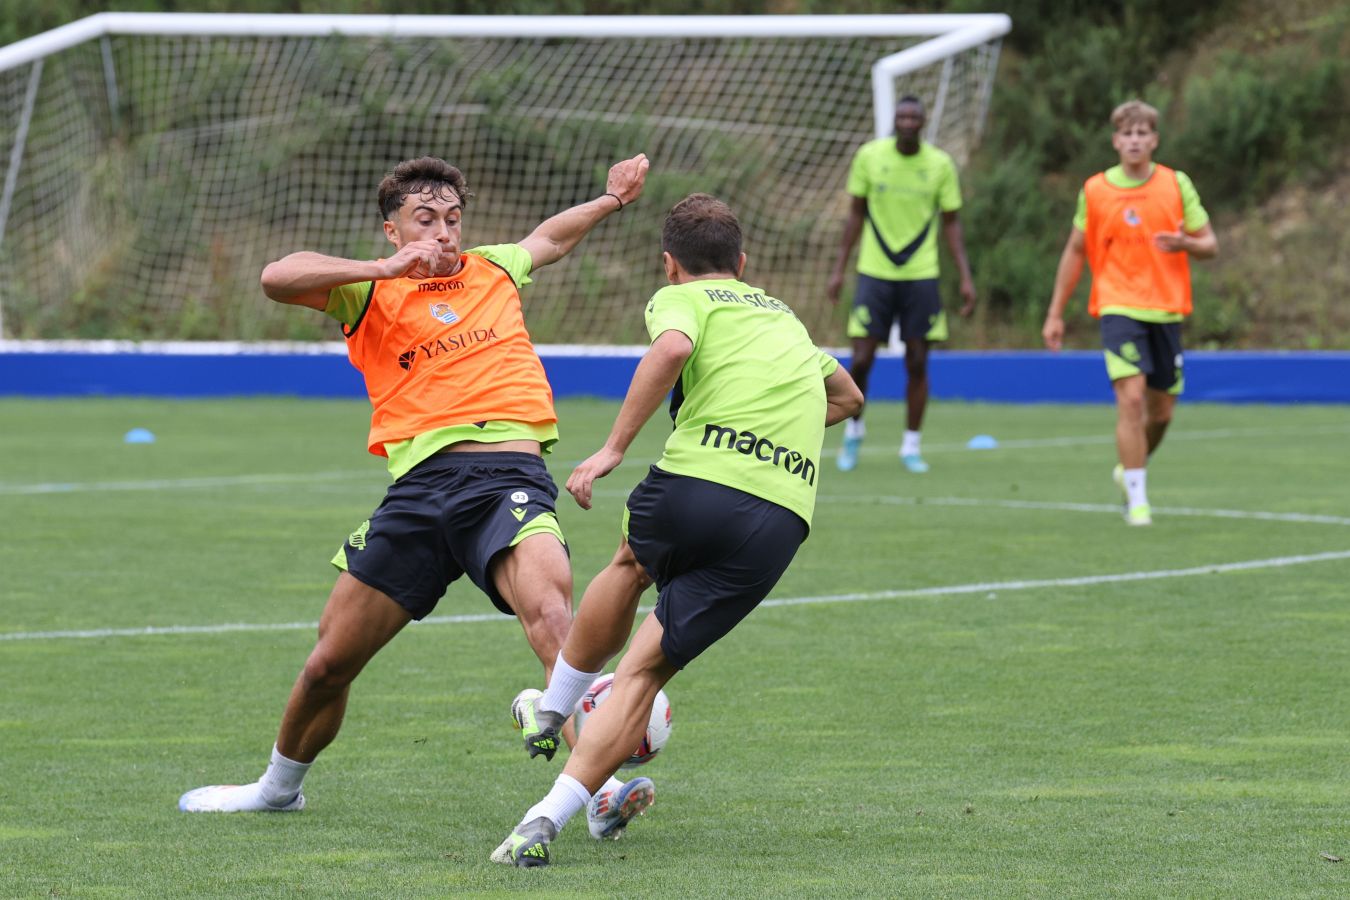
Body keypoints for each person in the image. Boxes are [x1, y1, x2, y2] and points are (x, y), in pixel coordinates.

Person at [177, 152, 650, 813]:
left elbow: (552, 236)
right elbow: (275, 278)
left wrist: (612, 199)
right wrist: (379, 270)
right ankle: (276, 789)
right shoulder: (367, 290)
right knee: (328, 664)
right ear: (392, 231)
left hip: (507, 478)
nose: (444, 233)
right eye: (424, 219)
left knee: (552, 618)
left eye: (453, 219)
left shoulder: (494, 269)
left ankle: (595, 794)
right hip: (420, 490)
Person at [491, 193, 864, 867]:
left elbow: (671, 349)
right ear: (744, 262)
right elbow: (850, 397)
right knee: (642, 674)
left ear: (670, 265)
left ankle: (552, 711)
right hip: (778, 518)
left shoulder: (687, 299)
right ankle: (544, 820)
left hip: (697, 481)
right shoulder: (784, 318)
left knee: (631, 565)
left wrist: (611, 450)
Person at [1041, 100, 1217, 526]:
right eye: (1127, 133)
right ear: (1115, 140)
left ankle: (1128, 470)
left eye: (1143, 133)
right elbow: (1075, 250)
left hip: (1167, 310)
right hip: (1117, 306)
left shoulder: (1176, 184)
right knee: (1131, 399)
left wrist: (1186, 245)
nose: (1135, 141)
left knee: (1161, 413)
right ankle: (1138, 501)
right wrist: (1055, 313)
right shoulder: (1096, 190)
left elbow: (1210, 244)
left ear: (1155, 140)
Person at [826, 94, 976, 474]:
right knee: (861, 359)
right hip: (874, 273)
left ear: (923, 123)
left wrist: (965, 277)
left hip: (921, 276)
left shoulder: (940, 164)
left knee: (918, 361)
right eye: (902, 116)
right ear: (895, 121)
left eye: (914, 117)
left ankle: (911, 446)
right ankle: (854, 432)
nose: (907, 122)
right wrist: (839, 269)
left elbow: (952, 222)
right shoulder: (870, 157)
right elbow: (855, 216)